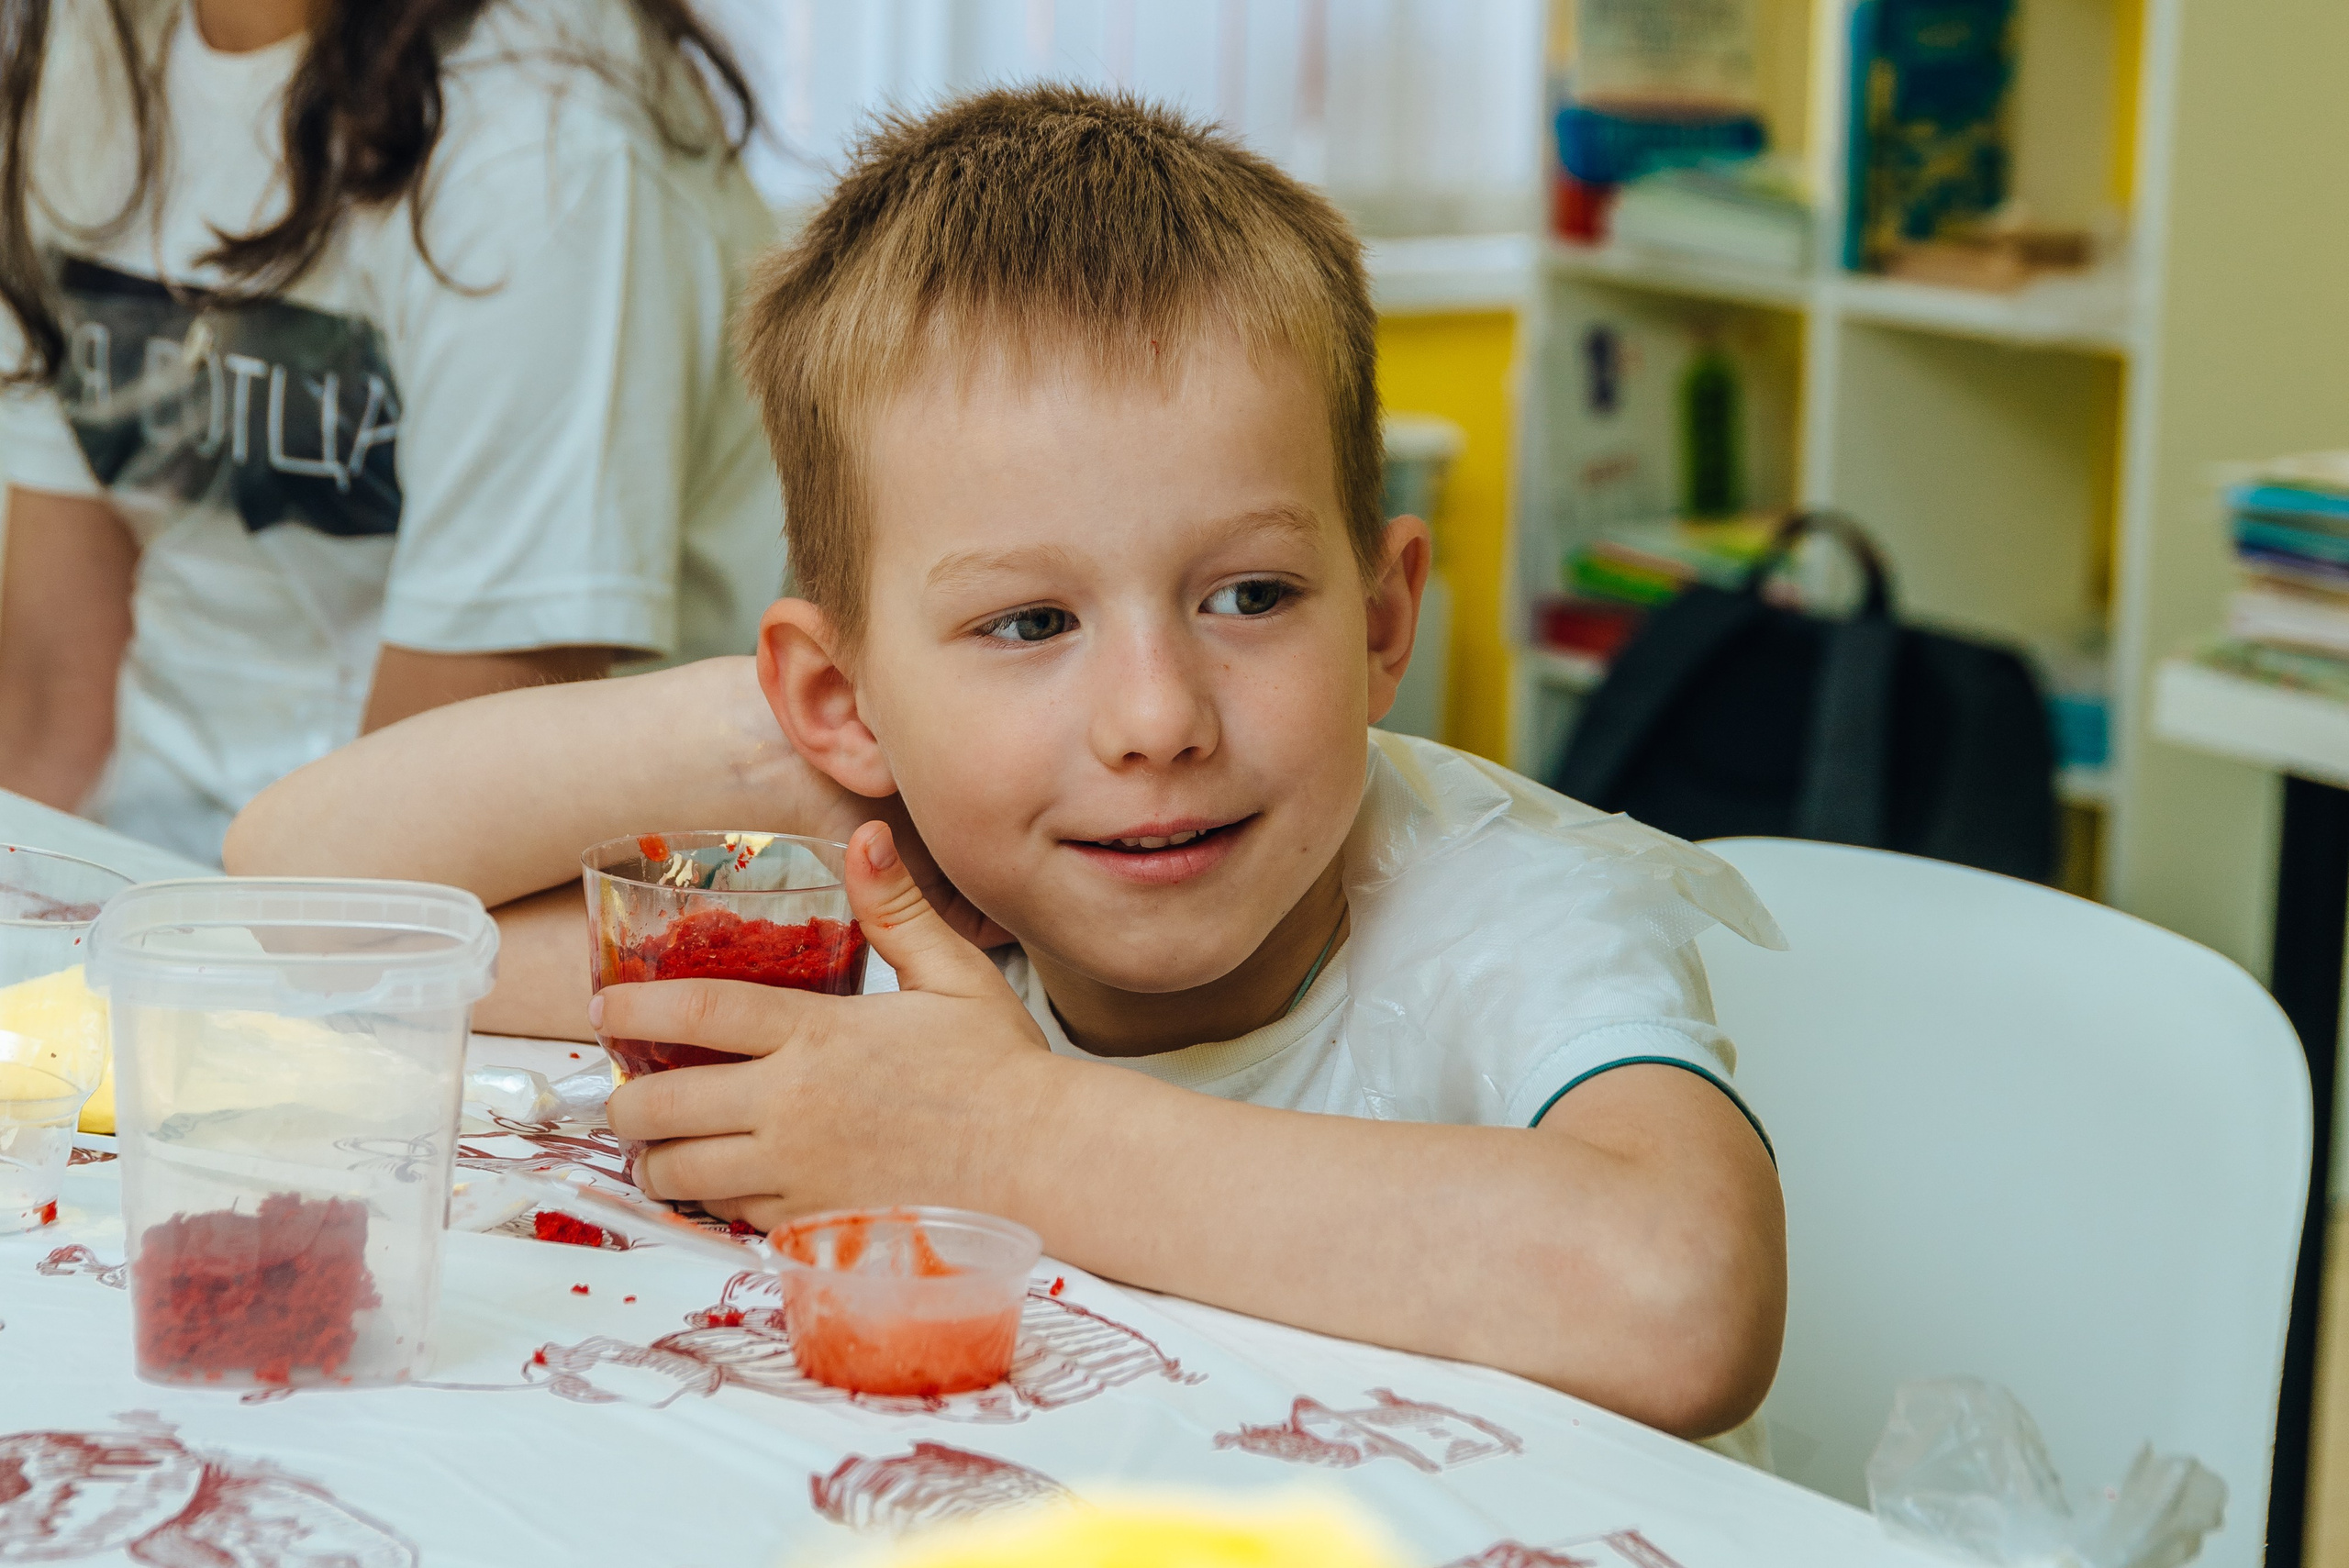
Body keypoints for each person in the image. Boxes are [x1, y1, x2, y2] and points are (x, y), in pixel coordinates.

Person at [227, 86, 1787, 1442]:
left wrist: (997, 1133)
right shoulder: (926, 907)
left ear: (1383, 620)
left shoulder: (1506, 907)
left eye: (1249, 595)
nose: (1156, 715)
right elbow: (300, 893)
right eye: (1030, 620)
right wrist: (788, 749)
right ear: (839, 695)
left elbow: (1681, 1292)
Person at [0, 0, 785, 863]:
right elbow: (51, 714)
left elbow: (425, 840)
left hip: (465, 917)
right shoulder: (91, 55)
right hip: (155, 881)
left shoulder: (544, 140)